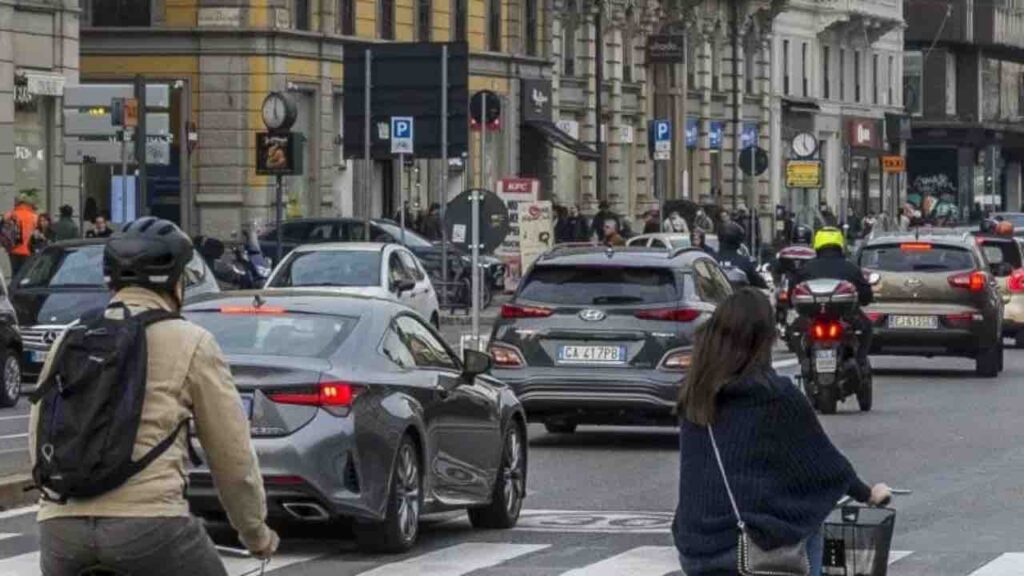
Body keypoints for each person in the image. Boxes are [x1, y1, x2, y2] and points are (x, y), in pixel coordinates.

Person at [30, 217, 279, 575]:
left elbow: (38, 431)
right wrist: (255, 533)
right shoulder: (191, 341)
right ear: (176, 281)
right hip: (151, 528)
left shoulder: (72, 337)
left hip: (61, 531)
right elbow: (232, 456)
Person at [673, 289, 891, 576]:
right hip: (746, 550)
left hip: (694, 548)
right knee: (810, 524)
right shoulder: (776, 395)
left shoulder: (695, 392)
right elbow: (825, 464)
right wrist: (869, 493)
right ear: (764, 339)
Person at [791, 227, 874, 371]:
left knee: (793, 330)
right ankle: (860, 361)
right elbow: (866, 296)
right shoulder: (851, 268)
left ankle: (804, 360)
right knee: (866, 327)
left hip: (813, 317)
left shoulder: (806, 268)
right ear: (840, 244)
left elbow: (792, 293)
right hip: (846, 317)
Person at [717, 222, 767, 289]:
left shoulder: (708, 260)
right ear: (739, 242)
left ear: (719, 238)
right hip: (739, 298)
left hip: (711, 298)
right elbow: (761, 285)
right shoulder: (745, 263)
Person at [4, 194, 38, 274]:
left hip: (13, 249)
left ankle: (14, 286)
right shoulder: (34, 216)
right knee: (26, 274)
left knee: (15, 273)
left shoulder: (9, 215)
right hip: (29, 250)